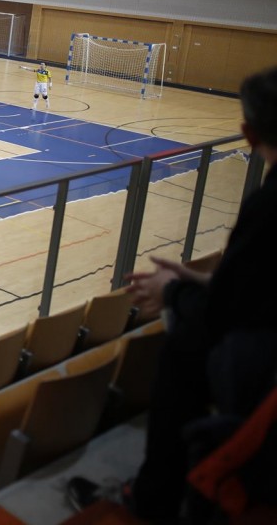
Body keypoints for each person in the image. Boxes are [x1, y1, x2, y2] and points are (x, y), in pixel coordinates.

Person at [68, 65, 277, 521]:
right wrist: (203, 282)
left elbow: (226, 315)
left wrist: (174, 292)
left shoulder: (269, 204)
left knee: (183, 349)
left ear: (249, 133)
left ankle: (154, 497)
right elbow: (258, 290)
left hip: (263, 362)